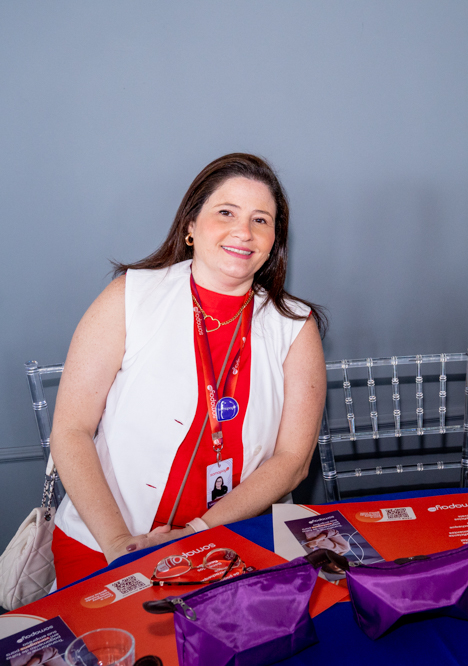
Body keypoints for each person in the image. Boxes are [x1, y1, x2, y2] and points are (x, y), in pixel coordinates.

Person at [49, 153, 327, 586]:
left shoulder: (296, 325)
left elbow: (293, 462)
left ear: (274, 240)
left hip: (236, 541)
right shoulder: (129, 296)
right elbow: (70, 430)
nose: (244, 231)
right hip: (105, 543)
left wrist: (195, 535)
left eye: (261, 220)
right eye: (226, 213)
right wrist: (120, 544)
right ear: (191, 227)